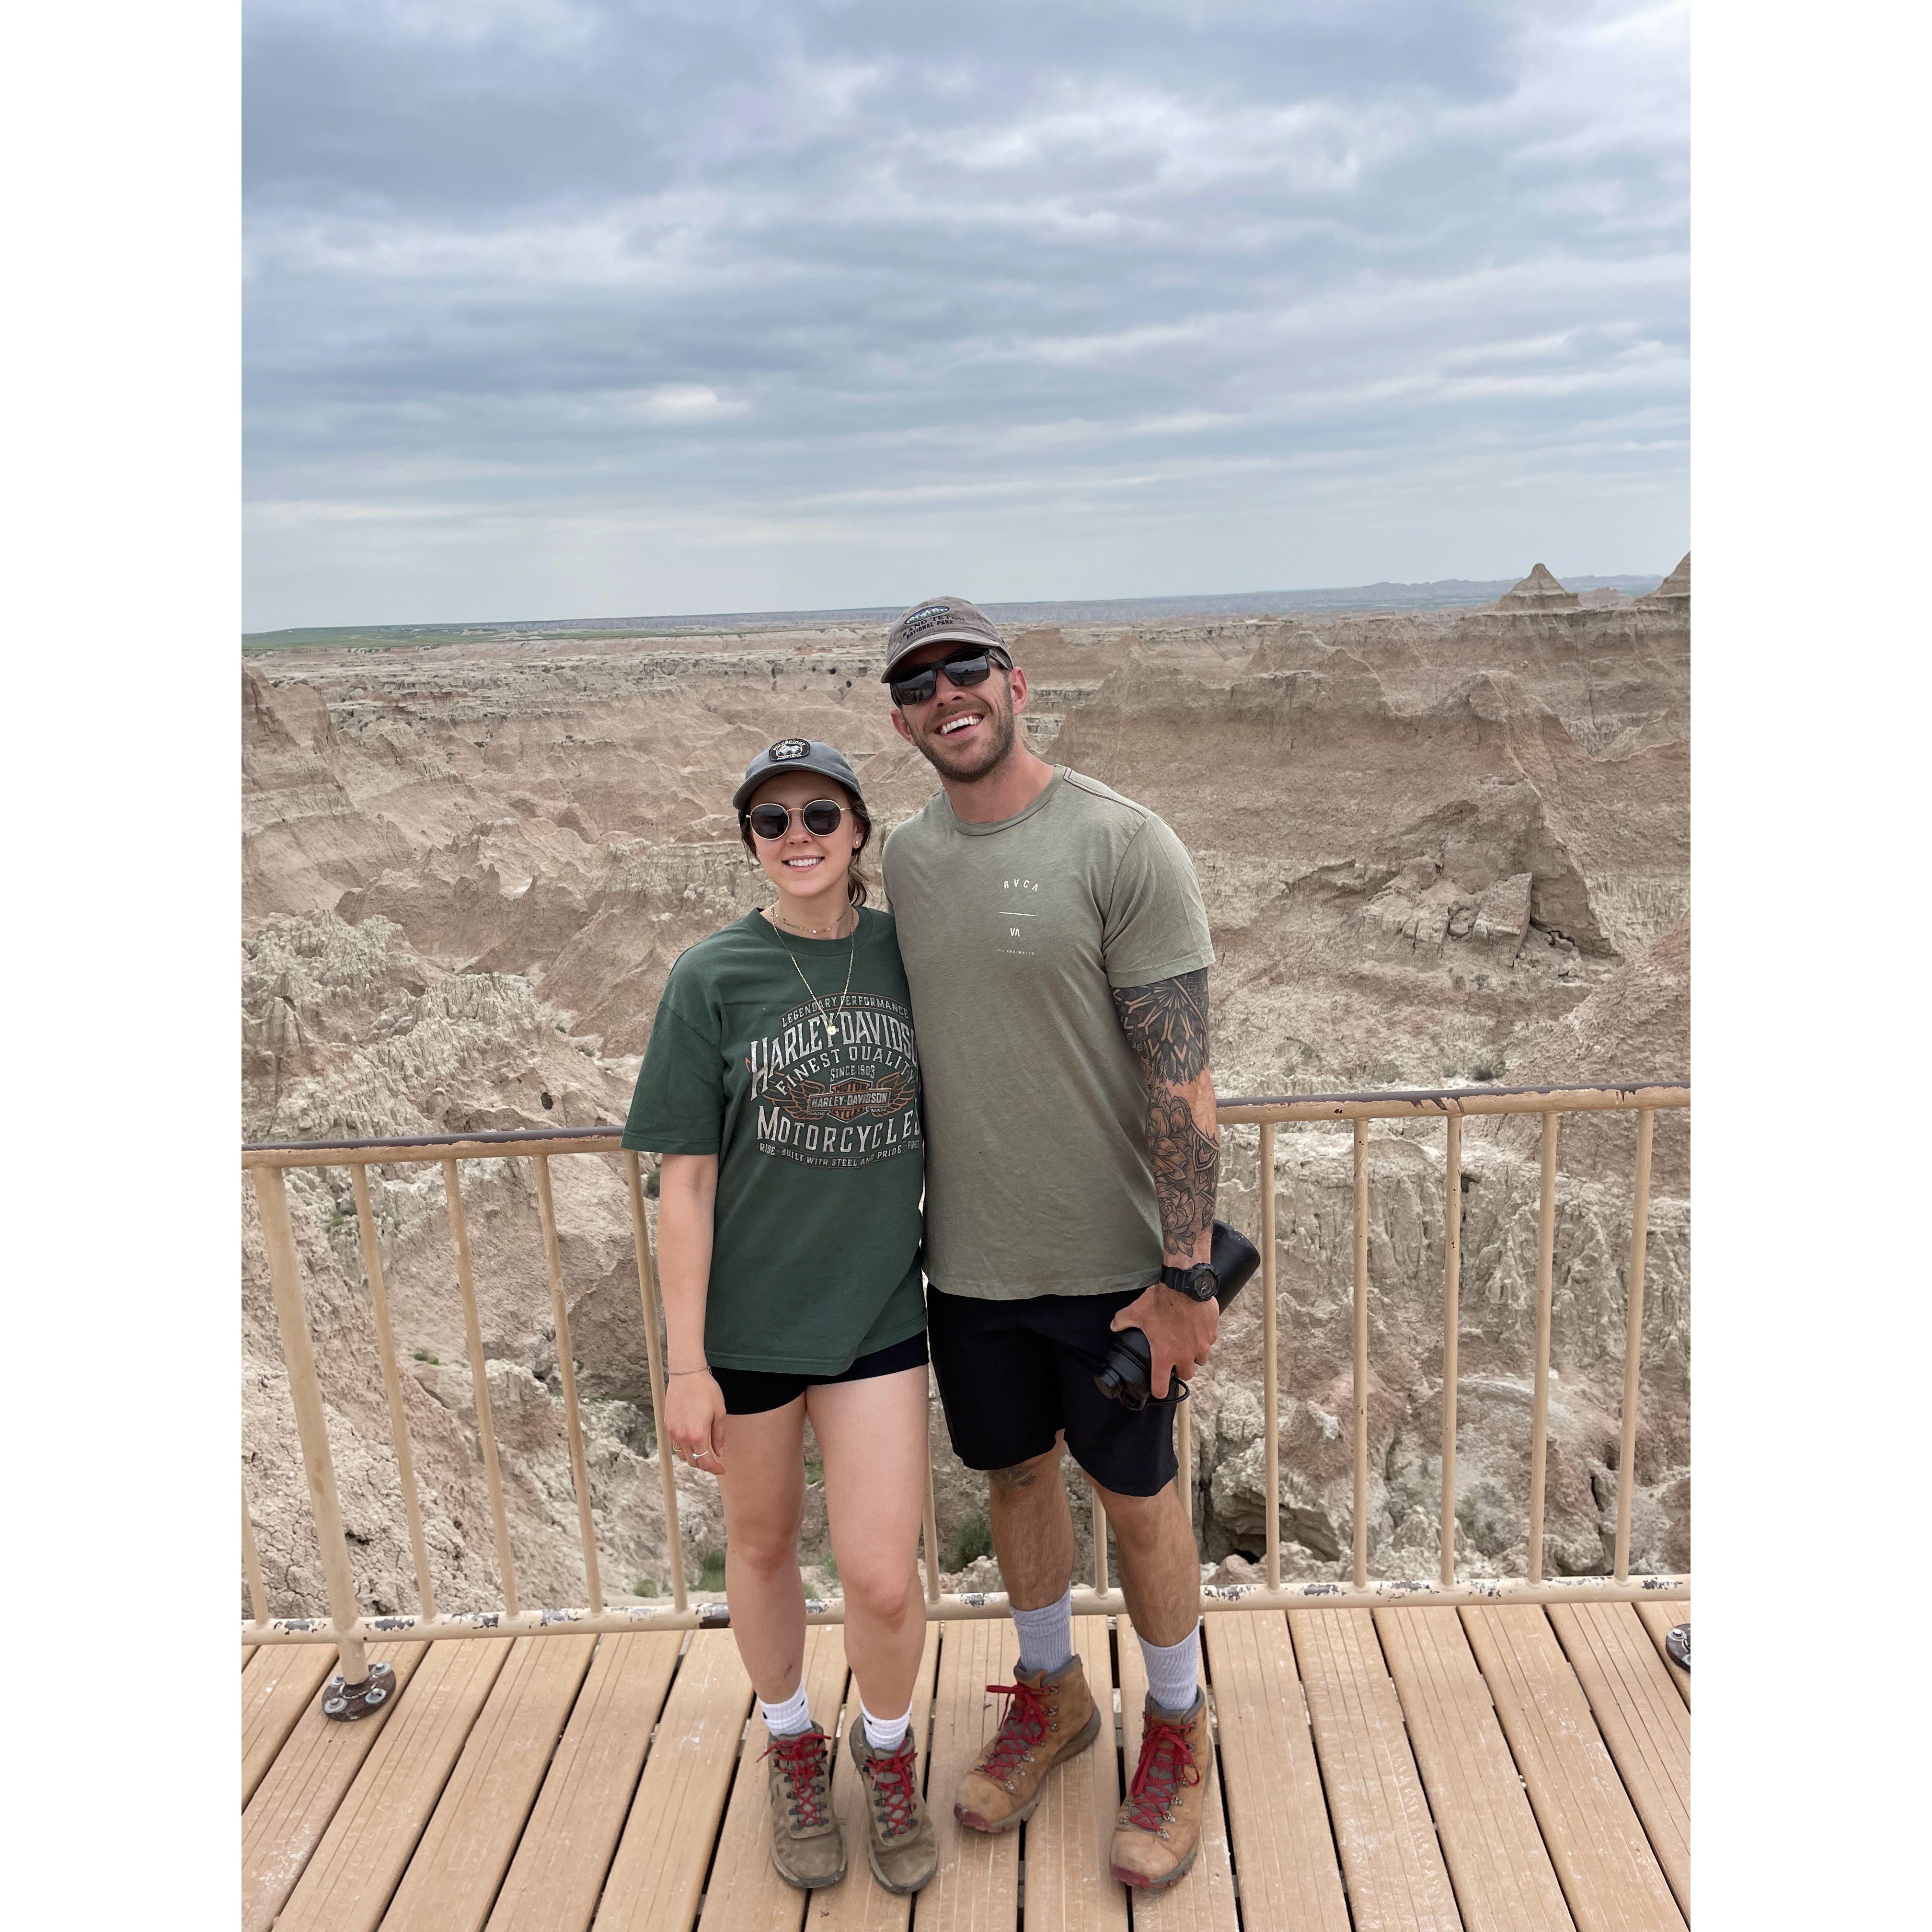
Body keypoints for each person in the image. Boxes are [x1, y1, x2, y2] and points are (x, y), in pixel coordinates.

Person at [878, 596, 1224, 1894]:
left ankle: (1179, 1722)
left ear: (1016, 682)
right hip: (968, 1266)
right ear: (902, 716)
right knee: (1015, 1483)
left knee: (1138, 1501)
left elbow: (1182, 1082)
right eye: (918, 681)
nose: (945, 693)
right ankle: (1053, 1692)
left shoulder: (1122, 844)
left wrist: (1186, 1276)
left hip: (1114, 1268)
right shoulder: (909, 860)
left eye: (965, 667)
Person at [620, 737, 938, 1898]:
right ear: (749, 842)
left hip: (875, 1316)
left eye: (819, 814)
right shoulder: (713, 976)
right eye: (771, 821)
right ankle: (793, 1742)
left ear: (859, 831)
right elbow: (687, 1182)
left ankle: (889, 1750)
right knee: (759, 1546)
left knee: (882, 1574)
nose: (797, 837)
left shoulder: (913, 953)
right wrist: (687, 1362)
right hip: (748, 1330)